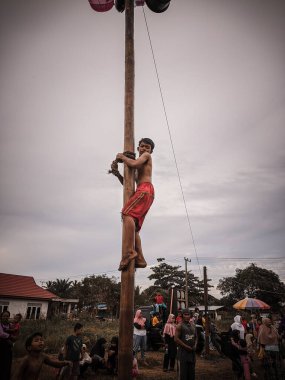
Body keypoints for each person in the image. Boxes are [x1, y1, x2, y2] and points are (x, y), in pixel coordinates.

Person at [111, 137, 155, 271]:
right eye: (142, 146)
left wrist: (122, 157)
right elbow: (128, 185)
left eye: (148, 147)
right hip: (145, 192)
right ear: (138, 148)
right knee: (133, 227)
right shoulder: (136, 167)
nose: (144, 149)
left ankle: (130, 252)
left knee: (126, 213)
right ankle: (140, 258)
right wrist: (117, 173)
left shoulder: (145, 157)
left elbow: (134, 164)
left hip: (145, 189)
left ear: (150, 151)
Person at [174, 309, 198, 380]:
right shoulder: (179, 326)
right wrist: (186, 346)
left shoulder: (193, 326)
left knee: (191, 374)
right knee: (183, 375)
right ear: (182, 315)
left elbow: (196, 337)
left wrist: (195, 345)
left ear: (190, 315)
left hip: (192, 354)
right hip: (182, 354)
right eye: (185, 314)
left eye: (188, 314)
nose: (187, 316)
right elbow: (176, 339)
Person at [0, 310, 14, 380]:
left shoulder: (10, 325)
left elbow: (16, 334)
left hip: (8, 348)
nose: (6, 317)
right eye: (4, 316)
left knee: (7, 364)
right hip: (1, 347)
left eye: (7, 316)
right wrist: (10, 336)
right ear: (1, 317)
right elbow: (1, 334)